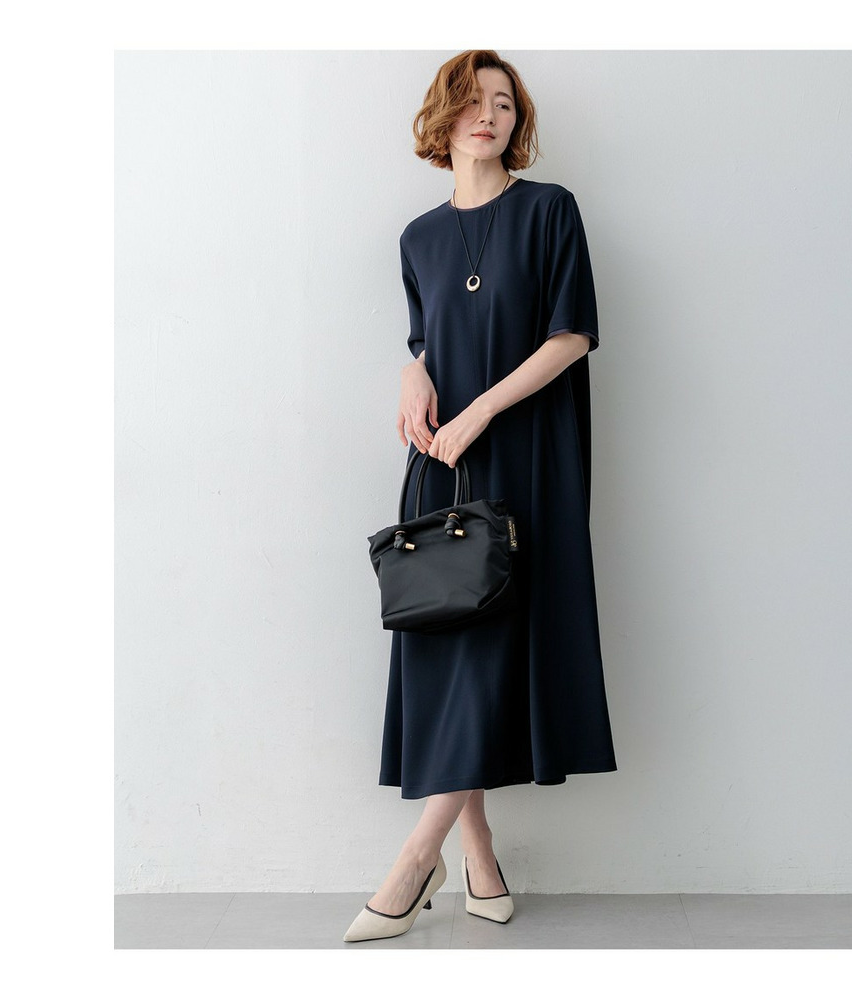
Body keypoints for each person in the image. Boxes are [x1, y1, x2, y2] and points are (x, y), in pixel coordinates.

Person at [344, 50, 617, 944]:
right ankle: (480, 855)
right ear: (444, 116)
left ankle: (416, 857)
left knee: (498, 649)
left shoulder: (550, 211)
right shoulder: (417, 238)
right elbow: (429, 334)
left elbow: (571, 335)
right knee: (453, 646)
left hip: (527, 457)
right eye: (471, 100)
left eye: (503, 103)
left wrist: (480, 412)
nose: (487, 115)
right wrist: (411, 372)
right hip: (442, 460)